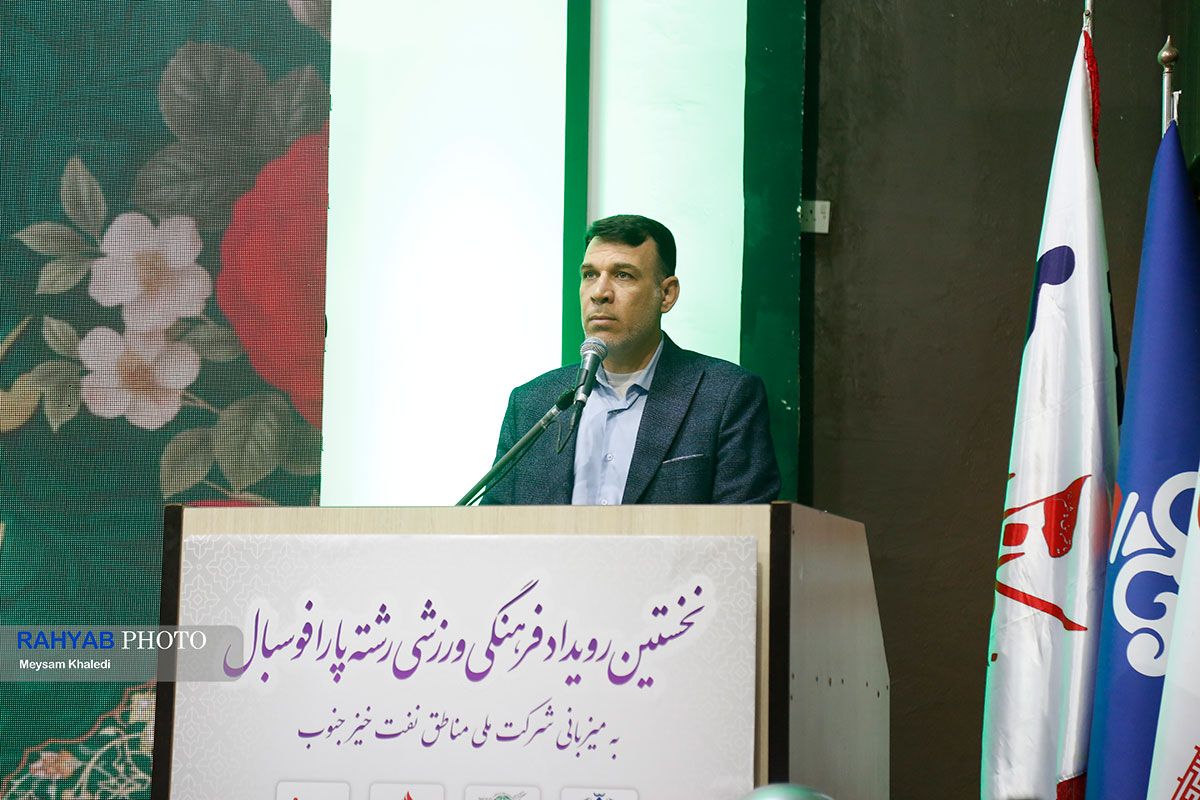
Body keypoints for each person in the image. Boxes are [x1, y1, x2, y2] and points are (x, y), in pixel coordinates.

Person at [482, 214, 780, 505]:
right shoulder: (532, 403)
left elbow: (744, 527)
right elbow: (493, 527)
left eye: (623, 275)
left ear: (667, 294)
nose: (600, 293)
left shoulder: (725, 396)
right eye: (590, 275)